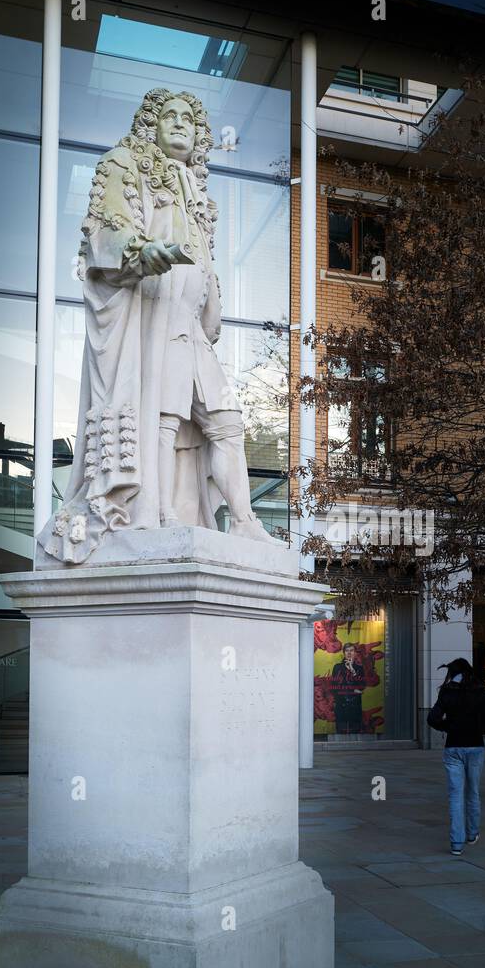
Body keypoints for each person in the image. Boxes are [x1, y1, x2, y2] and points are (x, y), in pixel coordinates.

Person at [38, 86, 277, 565]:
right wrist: (138, 249)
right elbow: (104, 228)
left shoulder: (198, 193)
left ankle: (246, 523)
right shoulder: (123, 164)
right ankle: (159, 512)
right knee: (165, 415)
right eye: (169, 115)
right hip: (153, 321)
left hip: (190, 327)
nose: (180, 123)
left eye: (189, 118)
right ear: (150, 123)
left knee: (226, 422)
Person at [434, 658, 485, 856]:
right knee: (473, 792)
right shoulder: (479, 690)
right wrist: (476, 726)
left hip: (453, 746)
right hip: (476, 746)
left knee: (455, 795)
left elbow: (432, 718)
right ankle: (472, 834)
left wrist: (449, 726)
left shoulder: (447, 690)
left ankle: (456, 843)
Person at [331, 642, 365, 735]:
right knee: (341, 732)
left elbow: (362, 687)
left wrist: (353, 671)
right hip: (341, 705)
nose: (349, 653)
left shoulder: (359, 669)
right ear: (343, 653)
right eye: (347, 651)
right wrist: (353, 690)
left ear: (355, 653)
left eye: (351, 650)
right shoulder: (337, 668)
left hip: (355, 706)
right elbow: (335, 687)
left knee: (355, 732)